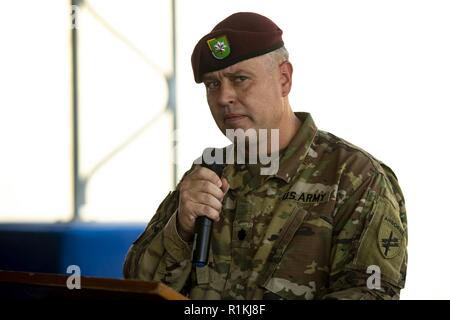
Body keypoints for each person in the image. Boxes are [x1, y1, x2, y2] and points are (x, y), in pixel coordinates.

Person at [123, 12, 407, 300]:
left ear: (284, 79)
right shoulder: (209, 173)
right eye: (212, 85)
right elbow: (137, 283)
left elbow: (372, 294)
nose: (224, 97)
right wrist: (180, 229)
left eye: (240, 79)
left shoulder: (354, 177)